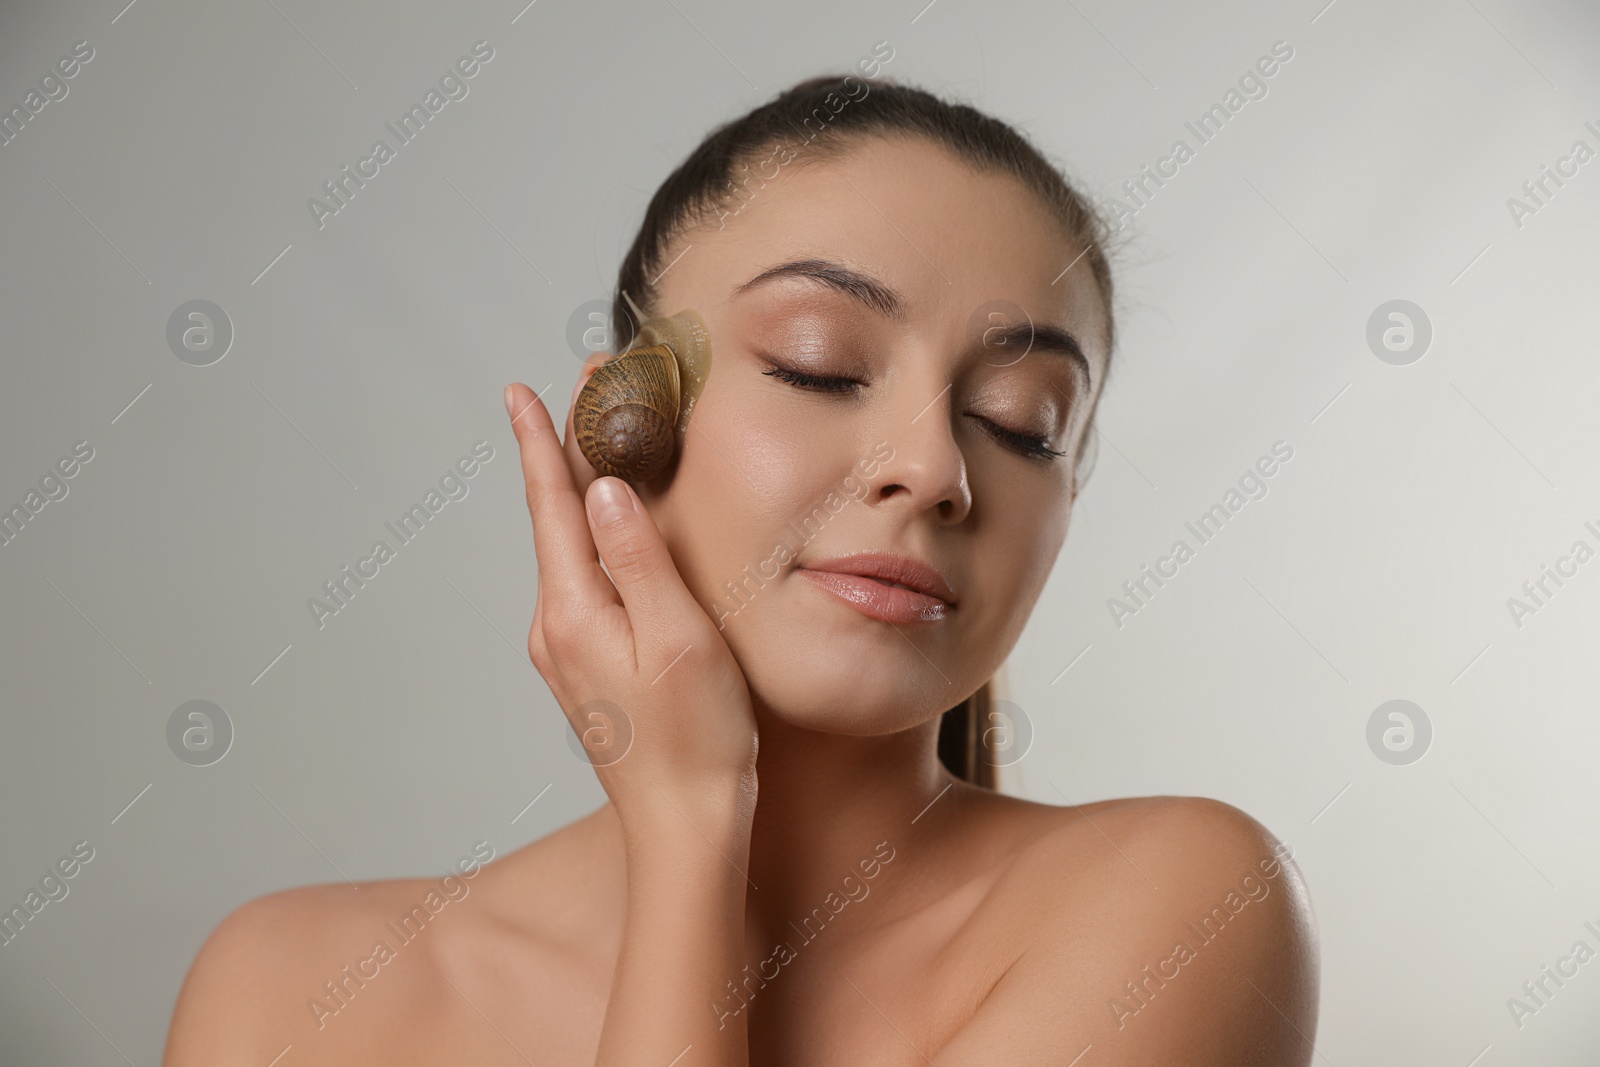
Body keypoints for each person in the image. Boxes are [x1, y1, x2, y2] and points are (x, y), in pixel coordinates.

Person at [162, 73, 1318, 1066]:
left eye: (1022, 423)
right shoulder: (294, 989)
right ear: (617, 427)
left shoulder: (1183, 907)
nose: (932, 469)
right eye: (817, 365)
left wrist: (688, 824)